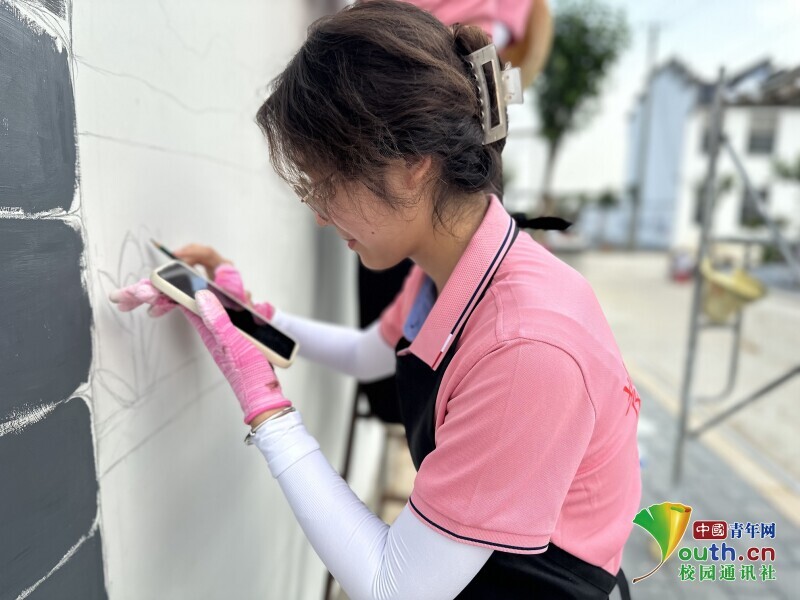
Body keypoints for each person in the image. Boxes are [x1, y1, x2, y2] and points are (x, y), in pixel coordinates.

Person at [110, 1, 640, 598]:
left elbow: (394, 586)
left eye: (326, 183)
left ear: (412, 164)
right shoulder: (452, 261)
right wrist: (248, 317)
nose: (318, 215)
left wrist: (265, 407)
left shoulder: (526, 350)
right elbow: (369, 354)